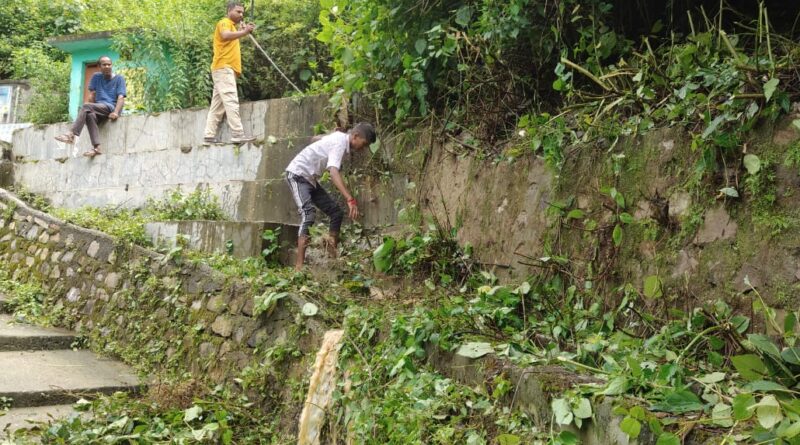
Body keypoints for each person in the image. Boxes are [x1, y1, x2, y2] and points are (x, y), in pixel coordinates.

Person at [285, 123, 377, 271]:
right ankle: (299, 267)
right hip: (297, 175)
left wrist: (327, 136)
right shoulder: (340, 142)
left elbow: (314, 138)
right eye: (364, 144)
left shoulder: (338, 137)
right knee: (308, 214)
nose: (363, 148)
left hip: (310, 179)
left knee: (336, 213)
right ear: (355, 136)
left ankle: (332, 256)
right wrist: (350, 199)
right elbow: (333, 172)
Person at [203, 1, 256, 144]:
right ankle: (238, 134)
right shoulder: (224, 22)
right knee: (231, 101)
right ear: (229, 11)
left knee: (217, 106)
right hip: (224, 69)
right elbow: (225, 35)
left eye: (242, 13)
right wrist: (244, 32)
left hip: (224, 70)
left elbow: (230, 37)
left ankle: (208, 136)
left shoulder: (232, 27)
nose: (241, 14)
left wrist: (242, 30)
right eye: (238, 12)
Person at [55, 56, 126, 157]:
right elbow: (92, 95)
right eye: (104, 64)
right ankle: (97, 148)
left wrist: (116, 112)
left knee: (86, 106)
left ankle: (71, 134)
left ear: (111, 65)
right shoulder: (96, 77)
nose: (107, 66)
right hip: (99, 107)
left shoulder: (119, 79)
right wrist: (91, 109)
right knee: (89, 115)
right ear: (99, 66)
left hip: (110, 107)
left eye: (109, 64)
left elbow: (121, 97)